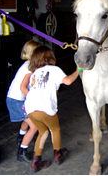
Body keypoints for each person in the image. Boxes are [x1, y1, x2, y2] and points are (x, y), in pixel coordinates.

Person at [20, 45, 80, 174]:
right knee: (55, 129)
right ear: (50, 57)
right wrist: (78, 70)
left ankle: (35, 162)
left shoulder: (34, 73)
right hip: (45, 107)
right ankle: (57, 155)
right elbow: (68, 81)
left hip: (30, 109)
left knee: (42, 132)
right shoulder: (54, 69)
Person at [6, 40, 42, 163]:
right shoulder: (30, 68)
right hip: (16, 101)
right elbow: (23, 88)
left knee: (27, 119)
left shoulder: (28, 64)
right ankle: (22, 152)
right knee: (35, 126)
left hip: (15, 99)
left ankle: (21, 138)